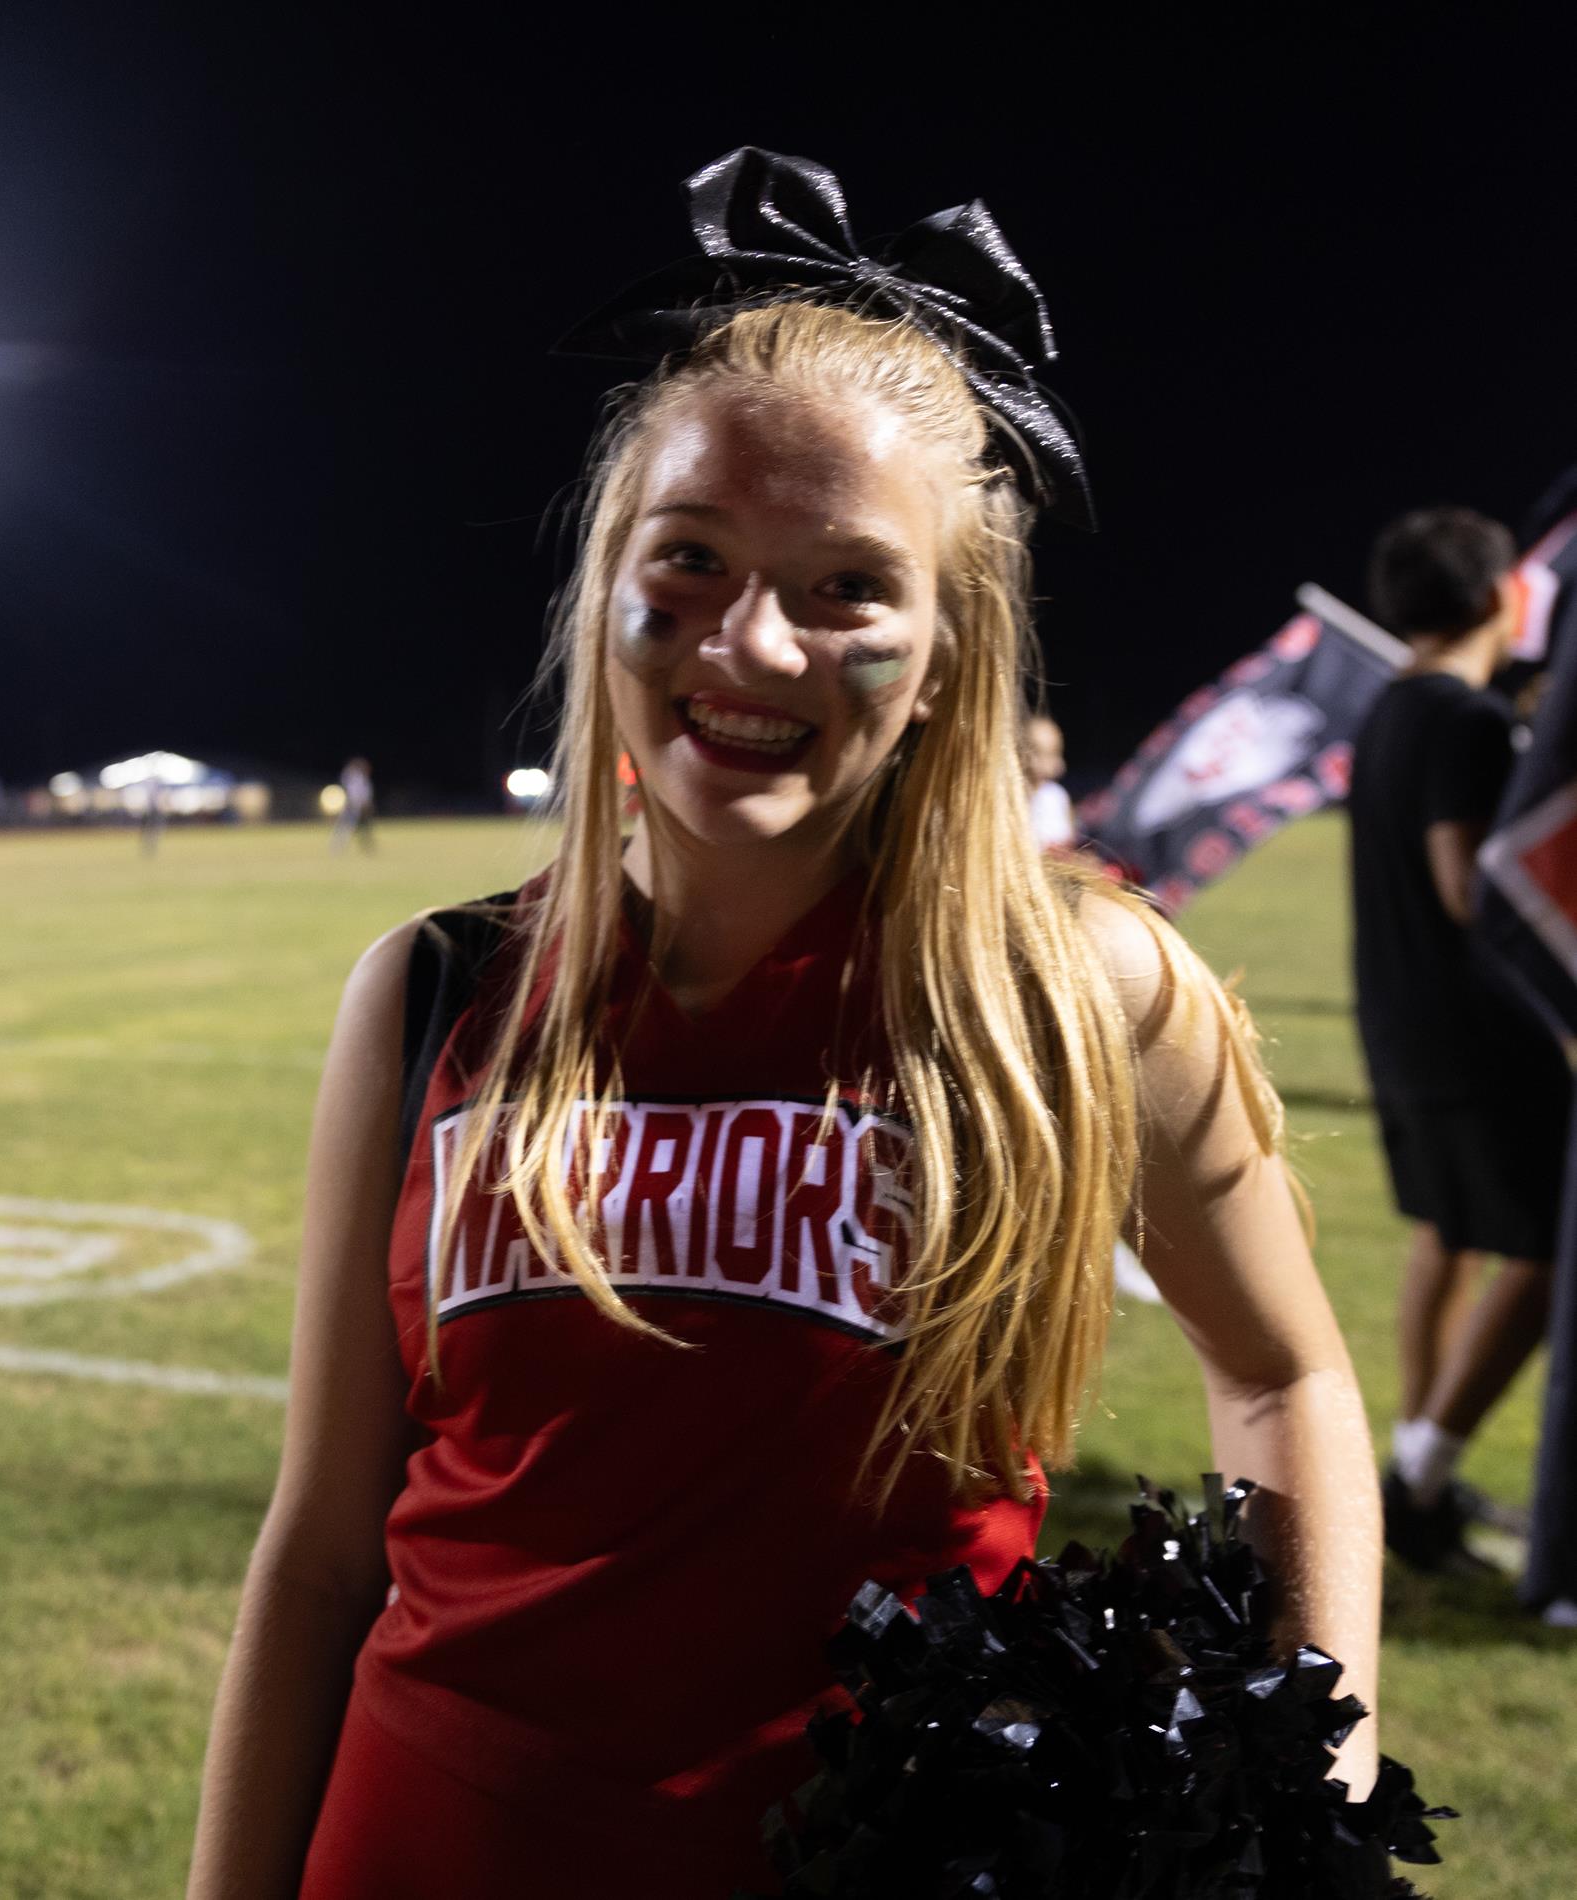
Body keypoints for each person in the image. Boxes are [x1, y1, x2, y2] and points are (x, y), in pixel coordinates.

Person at [187, 150, 1380, 1900]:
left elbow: (1283, 1376)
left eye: (843, 590)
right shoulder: (436, 991)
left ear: (947, 650)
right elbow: (317, 1557)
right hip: (422, 1841)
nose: (747, 646)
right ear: (606, 582)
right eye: (692, 559)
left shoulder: (1072, 992)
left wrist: (1303, 1765)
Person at [1348, 506, 1569, 1571]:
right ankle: (1420, 1476)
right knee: (1544, 1250)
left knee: (1447, 1231)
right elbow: (1467, 883)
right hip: (1476, 1030)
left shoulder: (1389, 705)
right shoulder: (1468, 720)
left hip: (1396, 1017)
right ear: (1499, 598)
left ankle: (1415, 1473)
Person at [1022, 707, 1077, 849]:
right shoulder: (1016, 797)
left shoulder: (1056, 796)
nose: (1033, 760)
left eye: (1048, 754)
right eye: (1033, 750)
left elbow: (1069, 837)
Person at [330, 757, 375, 852]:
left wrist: (367, 805)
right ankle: (337, 846)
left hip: (359, 807)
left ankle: (366, 846)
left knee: (363, 828)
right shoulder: (354, 778)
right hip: (352, 806)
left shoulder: (363, 779)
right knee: (346, 826)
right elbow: (351, 790)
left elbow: (365, 795)